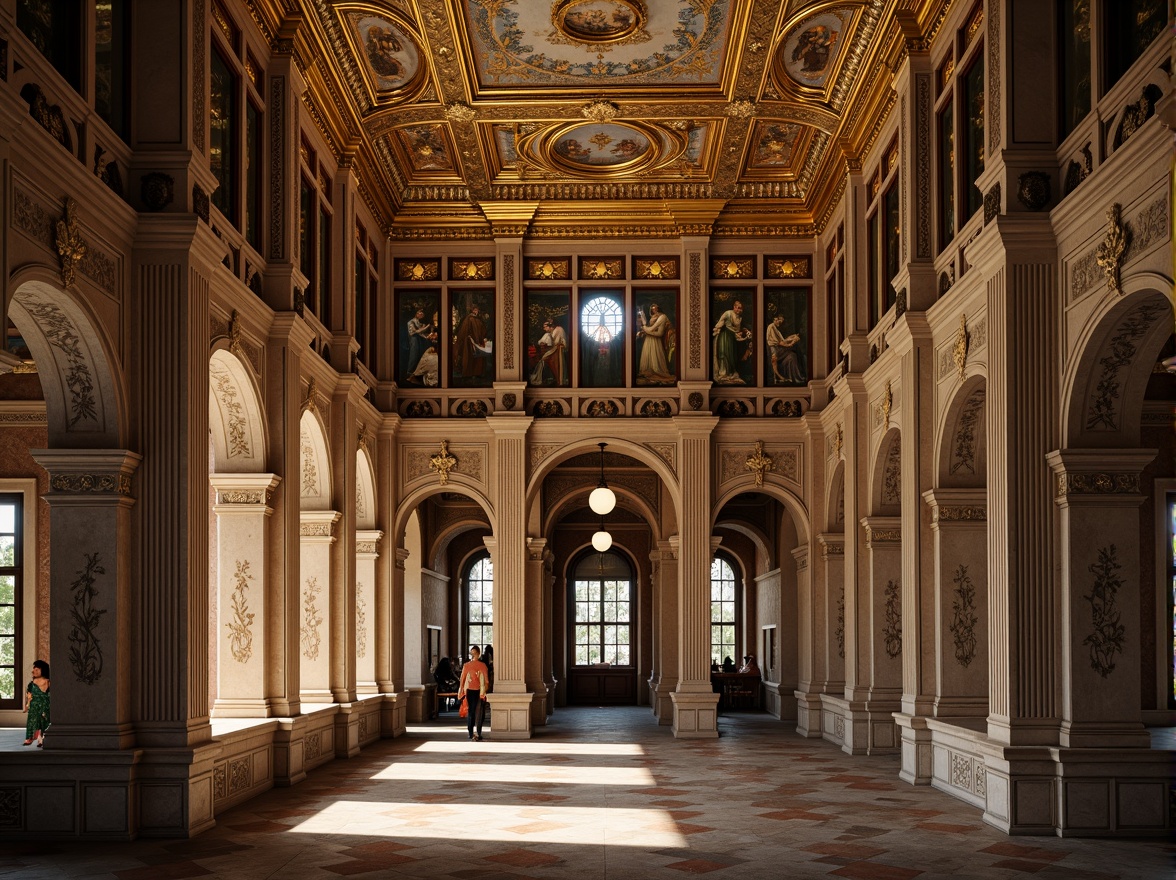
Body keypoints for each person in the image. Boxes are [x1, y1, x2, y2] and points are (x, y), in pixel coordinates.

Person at [712, 300, 752, 385]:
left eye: (741, 309)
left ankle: (730, 373)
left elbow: (739, 329)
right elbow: (720, 323)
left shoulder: (740, 318)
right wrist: (717, 329)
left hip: (733, 339)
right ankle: (723, 374)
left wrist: (743, 331)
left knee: (732, 356)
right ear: (734, 307)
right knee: (724, 354)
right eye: (738, 308)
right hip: (724, 337)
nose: (739, 310)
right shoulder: (728, 313)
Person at [636, 302, 675, 385]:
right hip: (649, 339)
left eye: (655, 308)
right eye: (652, 309)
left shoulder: (662, 317)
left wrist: (645, 328)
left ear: (659, 308)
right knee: (647, 359)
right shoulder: (653, 317)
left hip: (655, 340)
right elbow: (648, 327)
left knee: (656, 359)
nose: (654, 310)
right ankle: (647, 373)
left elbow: (658, 333)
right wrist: (644, 327)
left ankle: (656, 372)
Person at [457, 644, 489, 741]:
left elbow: (462, 679)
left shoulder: (467, 665)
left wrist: (461, 689)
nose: (474, 655)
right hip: (479, 691)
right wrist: (485, 690)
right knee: (478, 713)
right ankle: (477, 733)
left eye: (474, 653)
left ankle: (471, 733)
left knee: (472, 712)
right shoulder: (482, 665)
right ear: (478, 654)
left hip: (472, 690)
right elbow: (486, 681)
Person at [766, 315, 804, 384]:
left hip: (779, 349)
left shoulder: (777, 330)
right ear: (775, 320)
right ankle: (802, 367)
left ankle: (795, 377)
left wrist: (792, 337)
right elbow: (779, 342)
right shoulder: (771, 327)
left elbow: (783, 340)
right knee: (796, 344)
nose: (780, 322)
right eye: (779, 320)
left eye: (781, 321)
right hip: (775, 351)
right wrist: (791, 343)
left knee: (792, 356)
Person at [454, 304, 489, 380]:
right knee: (471, 357)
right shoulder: (469, 319)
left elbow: (482, 330)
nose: (476, 311)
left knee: (477, 357)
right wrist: (471, 338)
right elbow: (465, 331)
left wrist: (482, 338)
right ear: (472, 310)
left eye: (477, 310)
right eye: (475, 310)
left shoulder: (477, 319)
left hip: (478, 340)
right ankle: (471, 373)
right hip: (470, 341)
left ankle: (477, 373)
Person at [530, 318, 568, 386]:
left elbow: (563, 342)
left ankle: (558, 380)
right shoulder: (548, 333)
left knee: (553, 362)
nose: (544, 329)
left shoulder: (559, 329)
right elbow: (544, 342)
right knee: (545, 359)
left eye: (545, 327)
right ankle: (554, 379)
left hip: (558, 350)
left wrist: (558, 345)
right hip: (553, 349)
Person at [23, 659, 50, 747]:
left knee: (43, 720)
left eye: (36, 669)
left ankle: (41, 738)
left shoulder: (48, 681)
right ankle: (30, 737)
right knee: (32, 720)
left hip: (45, 705)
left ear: (43, 670)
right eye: (34, 669)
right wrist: (27, 706)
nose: (33, 671)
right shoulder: (32, 683)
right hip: (34, 705)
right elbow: (29, 696)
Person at [405, 308, 434, 376]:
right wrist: (427, 327)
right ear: (416, 313)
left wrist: (427, 336)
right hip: (414, 340)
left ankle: (417, 372)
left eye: (422, 313)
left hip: (419, 340)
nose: (421, 314)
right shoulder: (411, 322)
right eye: (420, 312)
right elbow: (416, 332)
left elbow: (421, 333)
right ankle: (410, 371)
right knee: (414, 355)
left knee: (421, 355)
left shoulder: (419, 322)